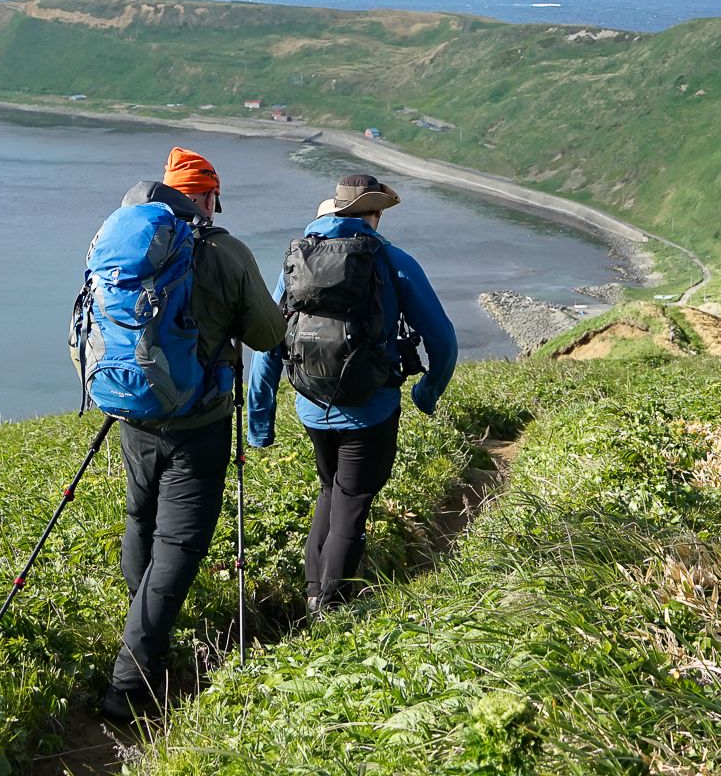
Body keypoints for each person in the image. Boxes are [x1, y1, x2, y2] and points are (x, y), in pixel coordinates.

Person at [94, 147, 282, 725]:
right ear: (204, 198)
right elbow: (268, 331)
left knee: (140, 519)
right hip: (199, 421)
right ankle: (131, 682)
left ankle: (142, 627)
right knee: (179, 543)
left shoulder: (123, 246)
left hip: (132, 411)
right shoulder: (225, 252)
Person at [246, 171, 457, 618]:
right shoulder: (393, 262)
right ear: (374, 214)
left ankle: (311, 591)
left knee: (331, 488)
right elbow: (443, 340)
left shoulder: (298, 260)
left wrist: (260, 420)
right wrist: (427, 391)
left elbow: (270, 340)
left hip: (311, 406)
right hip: (371, 409)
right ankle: (331, 607)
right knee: (353, 502)